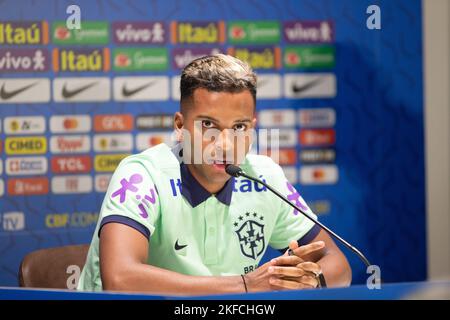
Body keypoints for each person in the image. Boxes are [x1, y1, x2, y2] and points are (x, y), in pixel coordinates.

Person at [77, 54, 351, 294]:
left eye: (240, 127)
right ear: (180, 126)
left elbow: (337, 264)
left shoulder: (264, 177)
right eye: (208, 124)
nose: (225, 144)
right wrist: (246, 285)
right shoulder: (144, 175)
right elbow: (120, 278)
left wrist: (304, 280)